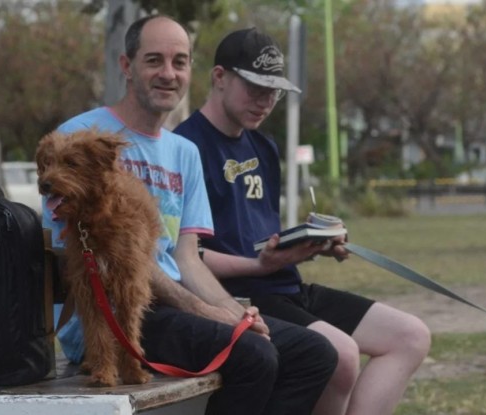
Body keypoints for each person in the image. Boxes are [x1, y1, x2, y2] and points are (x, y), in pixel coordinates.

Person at [44, 15, 337, 415]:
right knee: (254, 356)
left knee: (314, 353)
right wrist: (205, 311)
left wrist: (237, 313)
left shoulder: (184, 152)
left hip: (169, 305)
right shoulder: (85, 139)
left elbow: (188, 259)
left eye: (179, 62)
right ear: (126, 66)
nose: (168, 73)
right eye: (154, 60)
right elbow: (114, 259)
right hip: (112, 314)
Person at [175, 27, 432, 415]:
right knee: (340, 355)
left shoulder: (263, 145)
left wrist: (310, 241)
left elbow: (257, 231)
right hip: (240, 295)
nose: (265, 102)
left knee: (410, 336)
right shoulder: (185, 146)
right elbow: (186, 254)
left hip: (285, 286)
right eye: (255, 88)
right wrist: (261, 264)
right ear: (219, 78)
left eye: (274, 92)